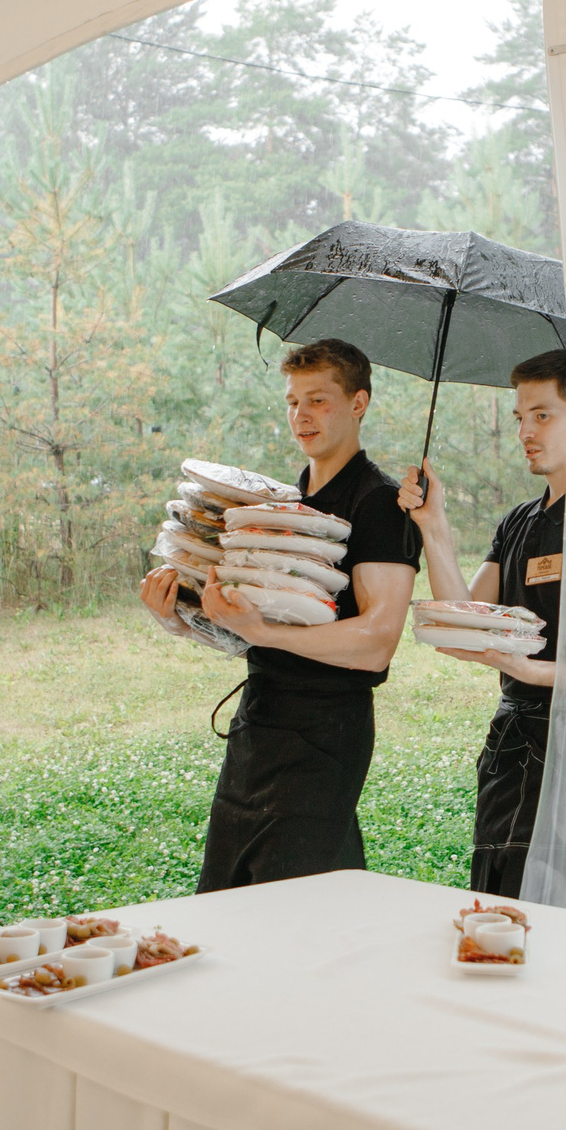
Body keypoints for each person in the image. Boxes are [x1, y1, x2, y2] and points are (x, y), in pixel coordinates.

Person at [137, 338, 416, 891]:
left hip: (326, 728)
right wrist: (178, 618)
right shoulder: (282, 503)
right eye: (292, 401)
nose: (300, 415)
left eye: (318, 400)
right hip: (258, 721)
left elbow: (377, 642)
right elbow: (250, 632)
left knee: (296, 898)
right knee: (230, 891)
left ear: (358, 403)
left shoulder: (380, 503)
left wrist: (263, 631)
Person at [398, 349, 566, 897]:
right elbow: (465, 617)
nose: (525, 432)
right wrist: (433, 524)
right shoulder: (519, 521)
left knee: (556, 913)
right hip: (511, 744)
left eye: (542, 415)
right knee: (497, 898)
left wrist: (533, 671)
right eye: (520, 417)